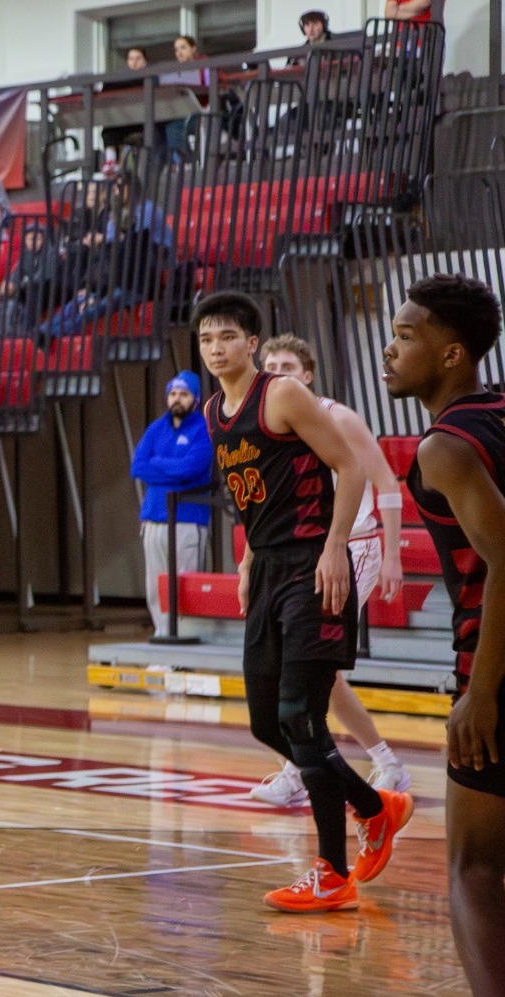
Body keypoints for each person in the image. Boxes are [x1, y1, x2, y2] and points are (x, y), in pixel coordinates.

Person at [193, 292, 411, 912]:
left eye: (228, 336)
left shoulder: (282, 395)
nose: (216, 348)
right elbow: (250, 498)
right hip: (266, 568)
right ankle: (376, 807)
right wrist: (244, 561)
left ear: (251, 343)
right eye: (208, 339)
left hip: (314, 565)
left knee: (302, 720)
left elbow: (351, 468)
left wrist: (336, 546)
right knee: (269, 721)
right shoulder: (214, 411)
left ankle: (332, 871)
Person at [382, 274, 505, 991]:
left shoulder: (444, 447)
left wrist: (482, 688)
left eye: (406, 336)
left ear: (452, 353)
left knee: (475, 866)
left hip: (493, 660)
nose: (390, 350)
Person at [249, 335, 413, 804]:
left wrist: (394, 555)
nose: (277, 371)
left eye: (287, 364)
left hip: (352, 547)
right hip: (303, 554)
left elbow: (386, 482)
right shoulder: (271, 424)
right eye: (270, 365)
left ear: (307, 374)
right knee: (310, 668)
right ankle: (365, 763)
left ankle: (348, 766)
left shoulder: (338, 416)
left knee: (311, 664)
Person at [130, 372, 214, 639]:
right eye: (173, 394)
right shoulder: (156, 428)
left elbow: (190, 469)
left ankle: (184, 640)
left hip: (187, 520)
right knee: (156, 586)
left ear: (196, 399)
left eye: (184, 394)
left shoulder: (204, 430)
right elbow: (137, 467)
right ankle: (162, 635)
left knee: (184, 584)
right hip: (154, 518)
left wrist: (158, 463)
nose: (177, 399)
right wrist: (171, 470)